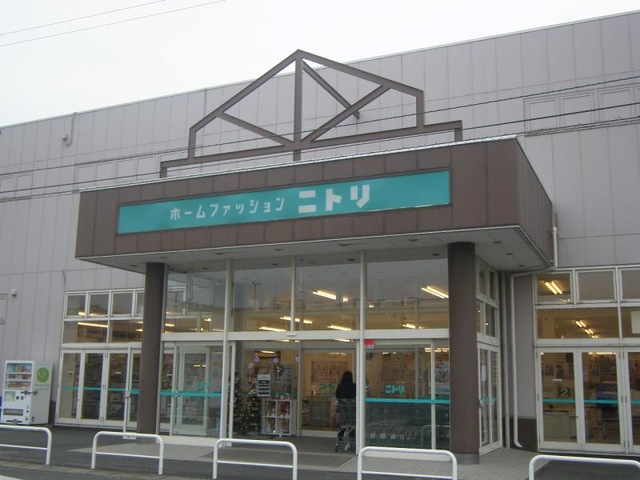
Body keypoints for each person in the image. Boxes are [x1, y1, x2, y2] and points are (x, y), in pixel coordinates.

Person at [335, 371, 356, 444]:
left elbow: (337, 395)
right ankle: (352, 435)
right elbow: (355, 395)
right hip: (351, 409)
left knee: (344, 421)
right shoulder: (353, 386)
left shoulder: (340, 386)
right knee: (352, 420)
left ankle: (340, 435)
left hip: (342, 409)